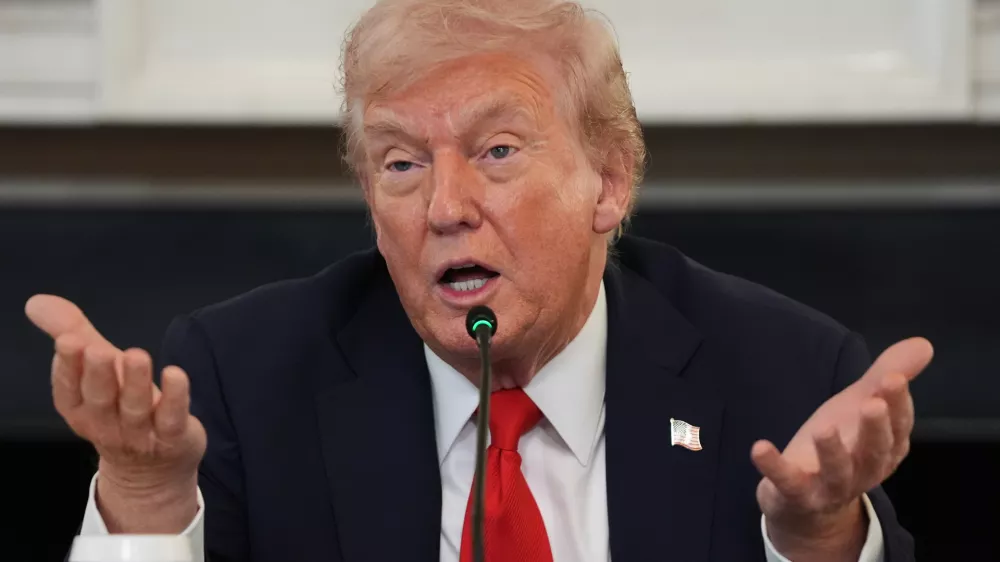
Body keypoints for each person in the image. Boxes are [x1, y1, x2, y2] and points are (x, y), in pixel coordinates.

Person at [26, 1, 933, 560]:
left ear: (608, 181)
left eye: (497, 151)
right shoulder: (243, 376)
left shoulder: (782, 372)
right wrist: (146, 503)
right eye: (401, 163)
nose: (445, 207)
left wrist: (816, 541)